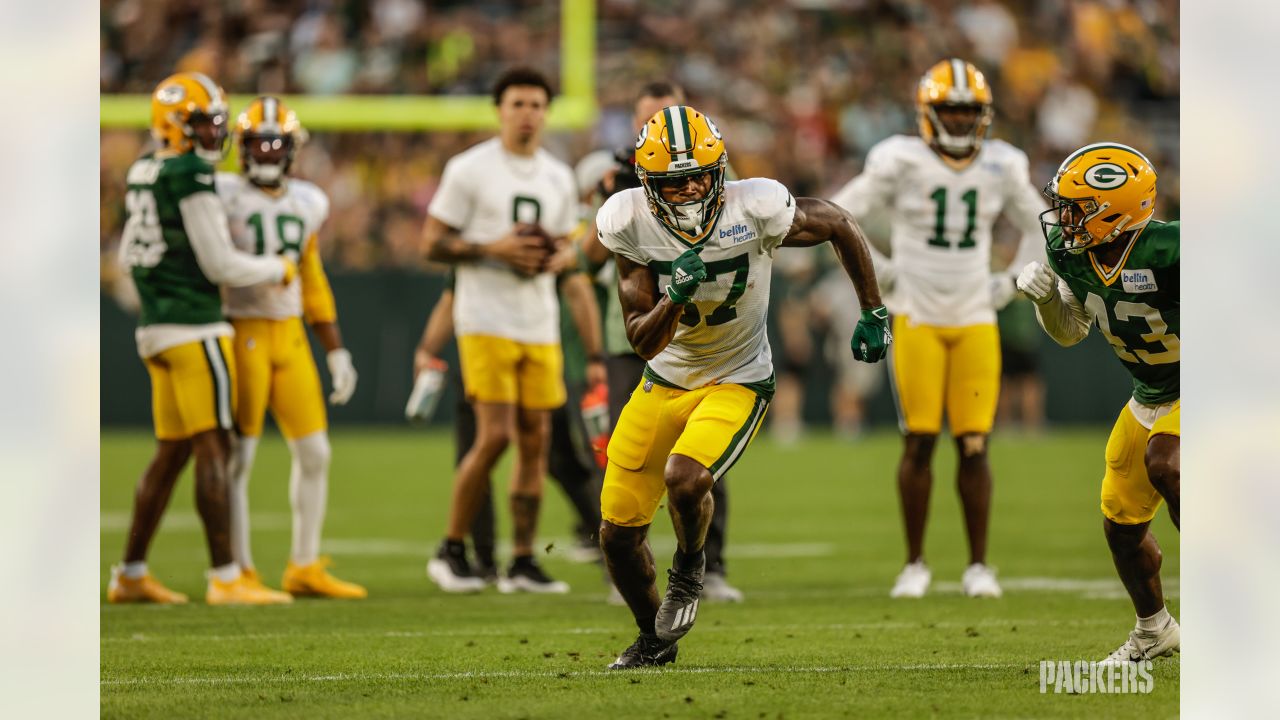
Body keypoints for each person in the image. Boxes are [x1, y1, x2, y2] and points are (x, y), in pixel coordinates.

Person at [597, 105, 890, 668]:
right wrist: (673, 297)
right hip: (665, 378)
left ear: (720, 168)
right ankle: (653, 641)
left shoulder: (755, 206)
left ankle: (689, 568)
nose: (688, 189)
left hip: (739, 376)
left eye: (698, 175)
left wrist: (873, 310)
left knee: (686, 477)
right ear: (647, 184)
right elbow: (641, 340)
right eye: (673, 181)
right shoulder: (628, 220)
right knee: (616, 534)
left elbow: (838, 222)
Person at [830, 58, 1046, 599]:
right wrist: (881, 276)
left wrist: (1012, 283)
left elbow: (1042, 228)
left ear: (984, 114)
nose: (956, 119)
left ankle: (978, 566)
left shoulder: (1004, 164)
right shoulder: (898, 158)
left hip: (975, 315)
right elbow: (840, 217)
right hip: (918, 314)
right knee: (920, 441)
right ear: (927, 112)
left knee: (974, 443)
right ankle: (915, 563)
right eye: (948, 109)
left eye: (966, 110)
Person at [107, 72, 295, 605]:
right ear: (176, 126)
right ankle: (226, 576)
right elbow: (219, 262)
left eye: (216, 122)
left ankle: (131, 573)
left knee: (172, 453)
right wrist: (275, 267)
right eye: (204, 123)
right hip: (195, 326)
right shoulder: (188, 172)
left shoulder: (146, 168)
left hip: (157, 329)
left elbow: (125, 258)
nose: (215, 133)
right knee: (215, 445)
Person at [420, 66, 602, 593]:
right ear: (499, 110)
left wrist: (561, 259)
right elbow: (430, 243)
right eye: (518, 104)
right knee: (495, 435)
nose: (528, 114)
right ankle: (451, 549)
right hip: (485, 318)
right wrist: (491, 248)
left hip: (538, 323)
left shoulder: (557, 175)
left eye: (537, 105)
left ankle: (523, 560)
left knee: (536, 441)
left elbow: (569, 262)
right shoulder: (470, 169)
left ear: (547, 112)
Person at [578, 81, 745, 603]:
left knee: (700, 458)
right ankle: (628, 566)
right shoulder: (608, 177)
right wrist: (616, 193)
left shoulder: (717, 174)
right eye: (647, 118)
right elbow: (587, 257)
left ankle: (708, 564)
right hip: (630, 333)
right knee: (626, 453)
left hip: (702, 336)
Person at [1016, 142, 1180, 664]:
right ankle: (1154, 631)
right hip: (1148, 394)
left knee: (1167, 462)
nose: (1064, 219)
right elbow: (1071, 332)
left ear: (1116, 209)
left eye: (1076, 207)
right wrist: (1045, 300)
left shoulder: (1171, 249)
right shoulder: (1071, 255)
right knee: (1122, 525)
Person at [217, 96, 366, 599]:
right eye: (259, 141)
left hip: (290, 335)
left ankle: (303, 565)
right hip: (240, 330)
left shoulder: (308, 200)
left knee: (315, 453)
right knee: (239, 458)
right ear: (241, 146)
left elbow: (312, 277)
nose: (267, 150)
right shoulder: (222, 194)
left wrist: (335, 349)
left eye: (276, 142)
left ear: (293, 149)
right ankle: (238, 570)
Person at [411, 275, 605, 587]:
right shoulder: (479, 232)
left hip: (536, 338)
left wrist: (595, 355)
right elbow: (452, 290)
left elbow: (576, 283)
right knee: (491, 441)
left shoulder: (555, 232)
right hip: (484, 338)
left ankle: (522, 560)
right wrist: (427, 349)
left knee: (538, 443)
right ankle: (459, 551)